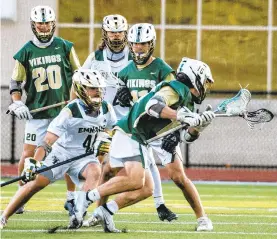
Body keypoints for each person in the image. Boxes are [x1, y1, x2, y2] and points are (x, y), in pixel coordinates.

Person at [76, 57, 215, 233]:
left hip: (147, 136)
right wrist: (179, 115)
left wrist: (198, 128)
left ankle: (106, 210)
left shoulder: (187, 99)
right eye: (205, 82)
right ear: (195, 77)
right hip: (132, 132)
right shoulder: (176, 88)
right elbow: (152, 106)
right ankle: (88, 198)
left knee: (148, 188)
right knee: (131, 178)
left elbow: (186, 136)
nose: (206, 87)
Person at [83, 23, 177, 228]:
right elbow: (120, 99)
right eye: (135, 44)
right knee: (115, 172)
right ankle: (93, 206)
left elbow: (173, 100)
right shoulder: (123, 69)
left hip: (147, 129)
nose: (139, 47)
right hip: (129, 128)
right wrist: (121, 96)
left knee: (144, 180)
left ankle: (99, 210)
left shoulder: (162, 70)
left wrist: (175, 130)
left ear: (151, 44)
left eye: (143, 43)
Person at [0, 69, 117, 229]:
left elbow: (112, 128)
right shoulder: (70, 111)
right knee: (36, 184)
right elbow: (47, 141)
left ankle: (78, 213)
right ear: (81, 89)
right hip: (61, 155)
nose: (97, 92)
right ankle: (4, 216)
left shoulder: (106, 108)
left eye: (99, 88)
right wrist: (34, 163)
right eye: (92, 88)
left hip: (84, 158)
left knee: (95, 171)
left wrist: (108, 138)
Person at [6, 5, 81, 214]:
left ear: (53, 23)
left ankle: (71, 198)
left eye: (47, 22)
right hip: (37, 112)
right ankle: (21, 195)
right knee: (28, 153)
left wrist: (74, 101)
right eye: (40, 22)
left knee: (68, 153)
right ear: (33, 24)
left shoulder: (65, 46)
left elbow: (79, 76)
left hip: (63, 112)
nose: (44, 26)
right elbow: (15, 83)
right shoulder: (26, 51)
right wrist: (17, 101)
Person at [63, 14, 132, 215]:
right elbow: (78, 80)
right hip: (100, 118)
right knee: (90, 160)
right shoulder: (96, 57)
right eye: (112, 31)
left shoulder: (133, 55)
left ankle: (94, 206)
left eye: (120, 31)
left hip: (125, 120)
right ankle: (78, 203)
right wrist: (73, 107)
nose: (117, 35)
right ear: (105, 33)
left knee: (121, 168)